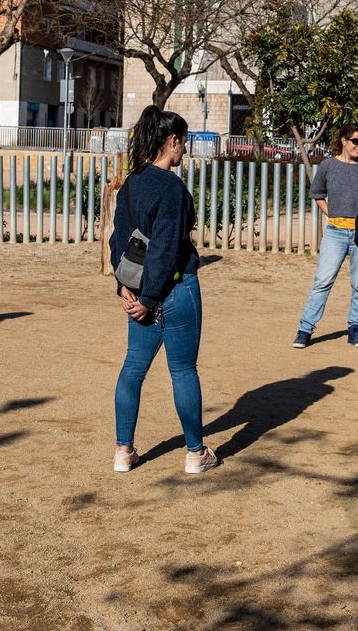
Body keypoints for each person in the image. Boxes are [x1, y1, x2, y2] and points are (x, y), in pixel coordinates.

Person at [109, 106, 218, 475]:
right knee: (184, 371)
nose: (185, 150)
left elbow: (118, 240)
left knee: (133, 368)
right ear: (172, 141)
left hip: (136, 288)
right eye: (184, 142)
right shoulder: (173, 188)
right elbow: (167, 249)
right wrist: (149, 299)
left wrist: (124, 286)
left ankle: (123, 451)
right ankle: (195, 453)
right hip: (173, 289)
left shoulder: (133, 181)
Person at [293, 123, 358, 350]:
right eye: (356, 141)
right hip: (335, 233)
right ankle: (305, 329)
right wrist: (332, 214)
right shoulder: (328, 166)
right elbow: (317, 194)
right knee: (322, 281)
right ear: (344, 142)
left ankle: (356, 330)